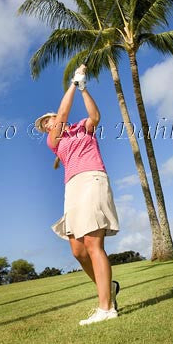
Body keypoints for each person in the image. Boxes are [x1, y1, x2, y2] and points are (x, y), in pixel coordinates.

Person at [35, 64, 121, 326]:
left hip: (93, 178)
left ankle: (106, 308)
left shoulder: (83, 128)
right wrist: (73, 83)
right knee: (77, 250)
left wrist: (82, 88)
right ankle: (110, 287)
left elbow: (95, 116)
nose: (49, 122)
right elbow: (63, 112)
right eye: (45, 123)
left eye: (49, 118)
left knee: (93, 244)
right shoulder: (55, 141)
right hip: (72, 187)